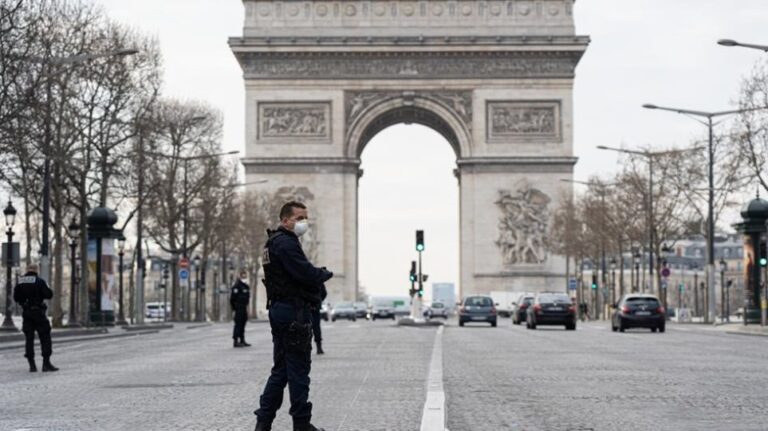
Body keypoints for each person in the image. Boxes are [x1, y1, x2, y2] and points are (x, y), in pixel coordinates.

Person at [254, 201, 333, 431]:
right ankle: (301, 424)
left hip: (280, 310)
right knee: (298, 370)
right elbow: (304, 273)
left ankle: (263, 422)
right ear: (285, 220)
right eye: (299, 218)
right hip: (292, 312)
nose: (303, 222)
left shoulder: (272, 243)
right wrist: (323, 274)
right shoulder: (286, 244)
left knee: (281, 370)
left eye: (305, 218)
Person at [13, 263, 58, 372]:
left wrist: (23, 302)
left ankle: (32, 365)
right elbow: (49, 294)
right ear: (36, 270)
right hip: (39, 313)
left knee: (29, 338)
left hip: (27, 312)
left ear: (27, 270)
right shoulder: (40, 281)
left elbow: (16, 297)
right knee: (45, 336)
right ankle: (46, 364)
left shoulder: (20, 281)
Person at [230, 270, 252, 348]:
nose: (244, 277)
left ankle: (242, 340)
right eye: (243, 276)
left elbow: (248, 299)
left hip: (244, 307)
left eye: (245, 276)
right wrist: (234, 309)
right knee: (238, 324)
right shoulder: (236, 286)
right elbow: (232, 299)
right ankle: (235, 341)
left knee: (243, 324)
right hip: (238, 308)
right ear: (240, 276)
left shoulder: (246, 286)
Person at [310, 284, 327, 355]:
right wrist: (318, 300)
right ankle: (319, 348)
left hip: (305, 307)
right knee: (316, 328)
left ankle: (305, 347)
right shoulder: (317, 279)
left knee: (303, 326)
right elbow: (324, 293)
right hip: (315, 307)